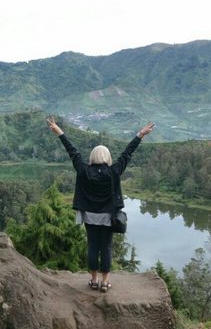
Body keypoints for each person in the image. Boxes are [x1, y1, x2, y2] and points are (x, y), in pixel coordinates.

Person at [47, 117, 155, 293]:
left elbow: (72, 151)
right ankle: (105, 283)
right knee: (106, 248)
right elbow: (127, 153)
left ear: (92, 156)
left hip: (89, 216)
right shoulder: (114, 171)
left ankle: (94, 280)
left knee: (92, 247)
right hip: (108, 217)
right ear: (108, 157)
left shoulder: (84, 170)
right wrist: (140, 135)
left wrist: (59, 132)